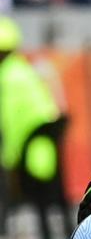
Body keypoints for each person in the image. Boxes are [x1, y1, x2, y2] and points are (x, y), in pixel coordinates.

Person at [0, 16, 72, 239]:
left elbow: (11, 121)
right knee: (53, 195)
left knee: (41, 195)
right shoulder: (23, 69)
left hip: (31, 145)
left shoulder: (8, 77)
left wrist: (10, 157)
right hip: (45, 139)